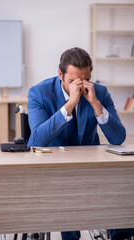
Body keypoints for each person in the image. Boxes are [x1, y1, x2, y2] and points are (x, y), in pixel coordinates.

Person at [27, 47, 134, 240]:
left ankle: (122, 235)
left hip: (90, 169)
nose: (80, 85)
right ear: (60, 74)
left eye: (85, 79)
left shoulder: (99, 92)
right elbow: (36, 140)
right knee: (67, 189)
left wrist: (96, 104)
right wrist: (70, 105)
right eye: (73, 81)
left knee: (122, 182)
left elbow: (118, 138)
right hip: (53, 170)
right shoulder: (39, 93)